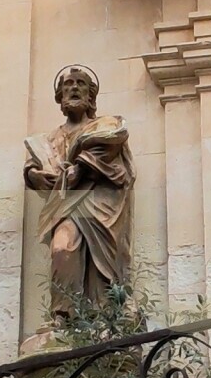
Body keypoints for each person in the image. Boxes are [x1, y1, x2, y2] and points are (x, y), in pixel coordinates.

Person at [24, 64, 132, 322]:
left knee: (102, 263)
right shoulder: (49, 139)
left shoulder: (105, 124)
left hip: (100, 203)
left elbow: (113, 155)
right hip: (66, 205)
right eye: (67, 85)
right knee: (62, 248)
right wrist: (34, 175)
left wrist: (81, 166)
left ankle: (107, 315)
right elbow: (33, 166)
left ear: (91, 94)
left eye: (80, 83)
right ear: (59, 97)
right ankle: (63, 314)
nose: (73, 88)